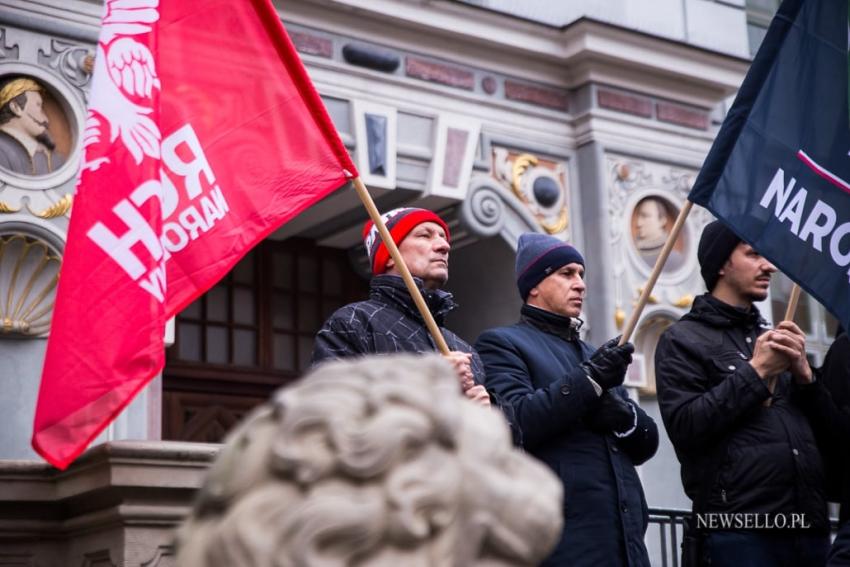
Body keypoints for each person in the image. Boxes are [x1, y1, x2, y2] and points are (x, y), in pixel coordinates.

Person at [475, 232, 659, 567]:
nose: (580, 284)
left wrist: (622, 416)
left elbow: (646, 445)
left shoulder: (594, 354)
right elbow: (518, 422)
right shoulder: (502, 343)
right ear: (534, 285)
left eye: (581, 275)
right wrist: (589, 382)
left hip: (625, 541)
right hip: (565, 541)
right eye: (566, 273)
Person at [655, 220, 830, 567]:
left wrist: (807, 379)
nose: (769, 265)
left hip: (807, 528)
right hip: (738, 530)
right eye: (754, 254)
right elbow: (687, 428)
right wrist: (757, 371)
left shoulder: (779, 337)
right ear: (721, 264)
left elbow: (827, 435)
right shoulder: (682, 340)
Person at [312, 207, 490, 407]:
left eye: (443, 237)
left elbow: (514, 433)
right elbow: (330, 408)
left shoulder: (463, 349)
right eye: (425, 235)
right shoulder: (353, 323)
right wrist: (431, 380)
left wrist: (487, 414)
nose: (444, 246)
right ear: (389, 254)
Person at [0, 77, 64, 175]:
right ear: (16, 108)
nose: (46, 120)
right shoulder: (3, 150)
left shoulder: (53, 160)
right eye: (38, 105)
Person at [634, 197, 682, 271]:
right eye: (639, 216)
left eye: (645, 216)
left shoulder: (674, 260)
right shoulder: (631, 255)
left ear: (662, 221)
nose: (638, 223)